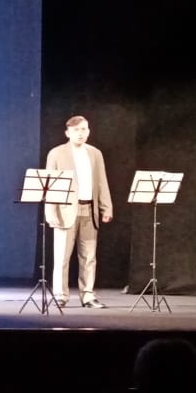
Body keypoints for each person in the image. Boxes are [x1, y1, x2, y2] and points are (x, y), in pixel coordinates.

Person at [45, 115, 113, 308]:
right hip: (65, 211)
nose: (81, 133)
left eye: (84, 129)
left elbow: (102, 182)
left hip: (89, 209)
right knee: (62, 256)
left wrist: (106, 207)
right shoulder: (56, 153)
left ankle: (88, 295)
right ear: (67, 133)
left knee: (89, 257)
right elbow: (50, 185)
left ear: (88, 131)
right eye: (76, 130)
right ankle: (60, 295)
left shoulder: (95, 153)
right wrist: (51, 213)